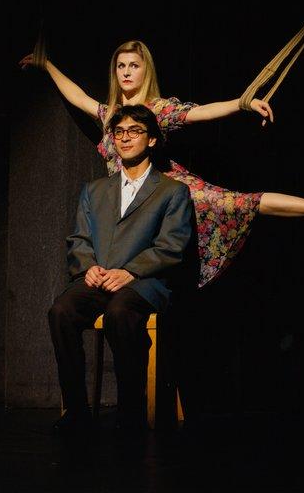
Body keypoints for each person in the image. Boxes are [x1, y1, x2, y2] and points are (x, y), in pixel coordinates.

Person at [20, 39, 304, 288]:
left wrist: (242, 103)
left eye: (133, 66)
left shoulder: (158, 108)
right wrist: (47, 64)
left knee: (240, 202)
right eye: (121, 66)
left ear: (145, 71)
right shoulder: (109, 115)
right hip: (130, 200)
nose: (126, 72)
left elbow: (201, 112)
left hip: (168, 188)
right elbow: (78, 97)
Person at [48, 104, 196, 434]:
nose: (126, 138)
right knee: (61, 310)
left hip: (144, 283)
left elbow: (173, 245)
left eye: (135, 131)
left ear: (152, 140)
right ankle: (76, 411)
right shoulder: (95, 190)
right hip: (100, 278)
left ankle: (130, 411)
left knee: (120, 312)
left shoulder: (172, 191)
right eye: (119, 132)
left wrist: (130, 271)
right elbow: (80, 238)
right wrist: (87, 268)